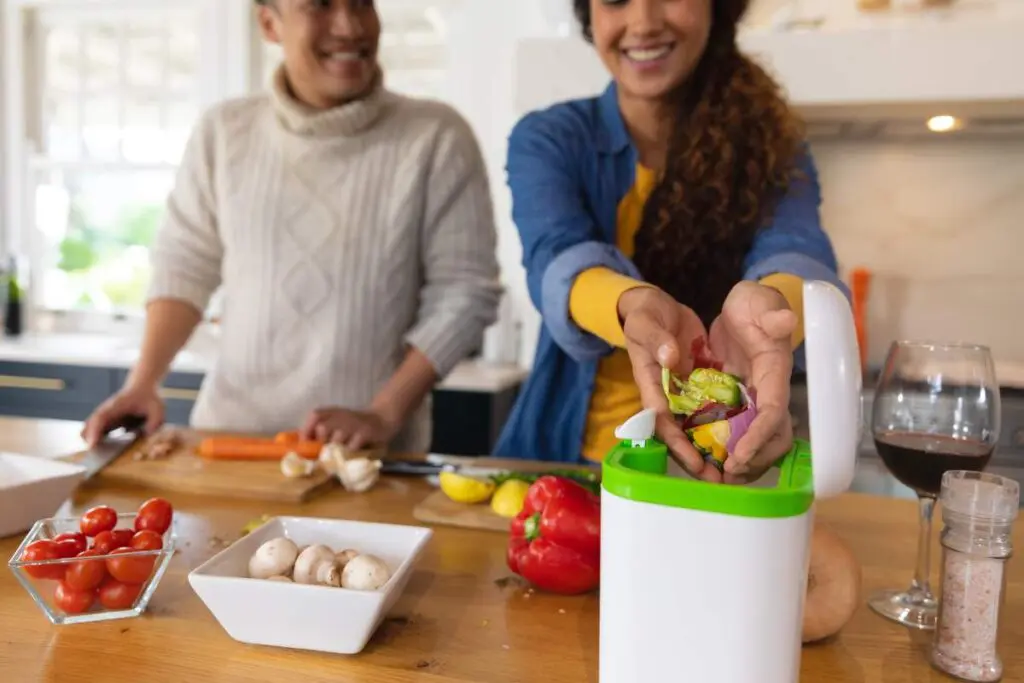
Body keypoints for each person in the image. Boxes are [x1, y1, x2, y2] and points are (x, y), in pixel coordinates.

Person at [82, 0, 501, 453]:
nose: (349, 25)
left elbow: (464, 294)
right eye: (319, 5)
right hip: (227, 446)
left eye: (362, 3)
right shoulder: (223, 131)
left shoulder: (436, 136)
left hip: (363, 460)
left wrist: (384, 413)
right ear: (269, 24)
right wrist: (142, 383)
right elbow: (186, 263)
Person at [493, 0, 849, 484]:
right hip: (571, 466)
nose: (642, 22)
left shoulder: (773, 143)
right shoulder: (549, 139)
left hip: (719, 468)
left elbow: (798, 250)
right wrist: (631, 306)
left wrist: (770, 310)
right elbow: (557, 258)